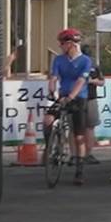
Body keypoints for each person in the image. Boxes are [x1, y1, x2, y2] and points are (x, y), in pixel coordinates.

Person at [44, 28, 92, 185]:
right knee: (48, 119)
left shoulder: (85, 61)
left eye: (62, 43)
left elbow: (81, 81)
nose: (60, 46)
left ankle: (80, 170)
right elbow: (54, 77)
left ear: (71, 44)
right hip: (63, 96)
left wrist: (72, 96)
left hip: (78, 98)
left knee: (79, 137)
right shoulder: (59, 59)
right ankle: (52, 146)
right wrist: (52, 89)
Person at [80, 44, 102, 165]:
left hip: (91, 98)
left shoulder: (94, 65)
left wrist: (92, 81)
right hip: (78, 98)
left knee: (90, 126)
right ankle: (78, 154)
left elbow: (102, 81)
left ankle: (88, 153)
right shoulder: (77, 63)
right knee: (77, 128)